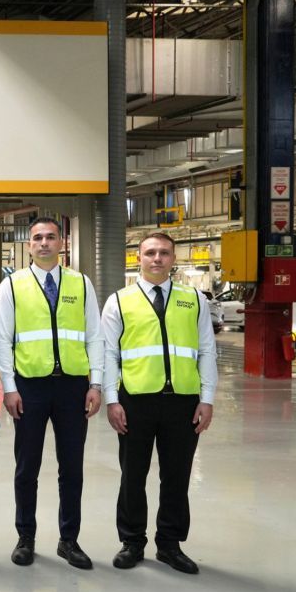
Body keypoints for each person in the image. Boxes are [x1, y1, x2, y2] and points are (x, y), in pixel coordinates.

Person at [103, 231, 217, 574]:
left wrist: (207, 398)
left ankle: (170, 544)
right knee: (132, 475)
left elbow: (207, 349)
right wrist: (112, 400)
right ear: (138, 258)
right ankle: (132, 541)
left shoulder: (193, 299)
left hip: (183, 402)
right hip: (135, 401)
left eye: (164, 253)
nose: (157, 258)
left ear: (173, 258)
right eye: (150, 252)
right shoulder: (119, 301)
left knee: (177, 476)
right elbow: (109, 354)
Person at [0, 217, 103, 569]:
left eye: (51, 237)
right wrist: (9, 388)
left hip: (72, 387)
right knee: (27, 467)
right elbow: (3, 340)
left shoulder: (81, 284)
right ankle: (25, 536)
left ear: (62, 242)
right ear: (29, 245)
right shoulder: (13, 285)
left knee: (72, 468)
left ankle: (69, 540)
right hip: (30, 386)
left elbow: (94, 336)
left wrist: (96, 384)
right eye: (38, 238)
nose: (44, 243)